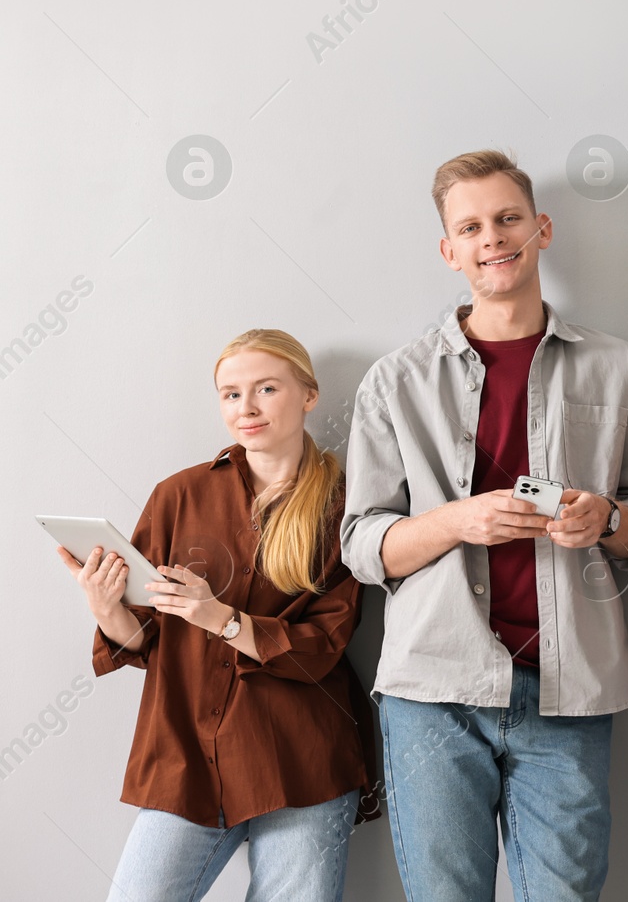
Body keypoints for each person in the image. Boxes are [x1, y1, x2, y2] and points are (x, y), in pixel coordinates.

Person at [341, 148, 628, 902]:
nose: (493, 237)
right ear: (448, 249)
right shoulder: (395, 380)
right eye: (472, 226)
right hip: (434, 693)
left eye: (508, 218)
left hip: (571, 690)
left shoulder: (617, 366)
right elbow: (362, 544)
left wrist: (607, 518)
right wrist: (456, 520)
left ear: (542, 228)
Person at [57, 328, 376, 902]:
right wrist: (106, 609)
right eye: (230, 394)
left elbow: (324, 645)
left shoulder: (346, 506)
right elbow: (146, 637)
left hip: (303, 762)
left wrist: (220, 618)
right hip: (186, 755)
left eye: (266, 388)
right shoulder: (177, 495)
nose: (246, 408)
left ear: (308, 394)